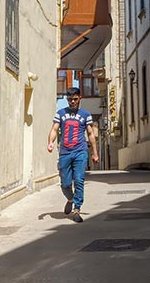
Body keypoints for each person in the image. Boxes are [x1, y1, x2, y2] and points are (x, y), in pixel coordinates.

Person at [47, 87, 99, 223]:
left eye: (75, 99)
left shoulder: (85, 114)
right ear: (67, 100)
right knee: (65, 183)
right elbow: (54, 129)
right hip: (65, 152)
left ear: (79, 98)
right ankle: (70, 198)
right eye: (70, 99)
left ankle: (77, 209)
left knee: (79, 180)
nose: (72, 102)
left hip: (80, 151)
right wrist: (50, 142)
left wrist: (95, 152)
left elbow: (90, 134)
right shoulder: (60, 113)